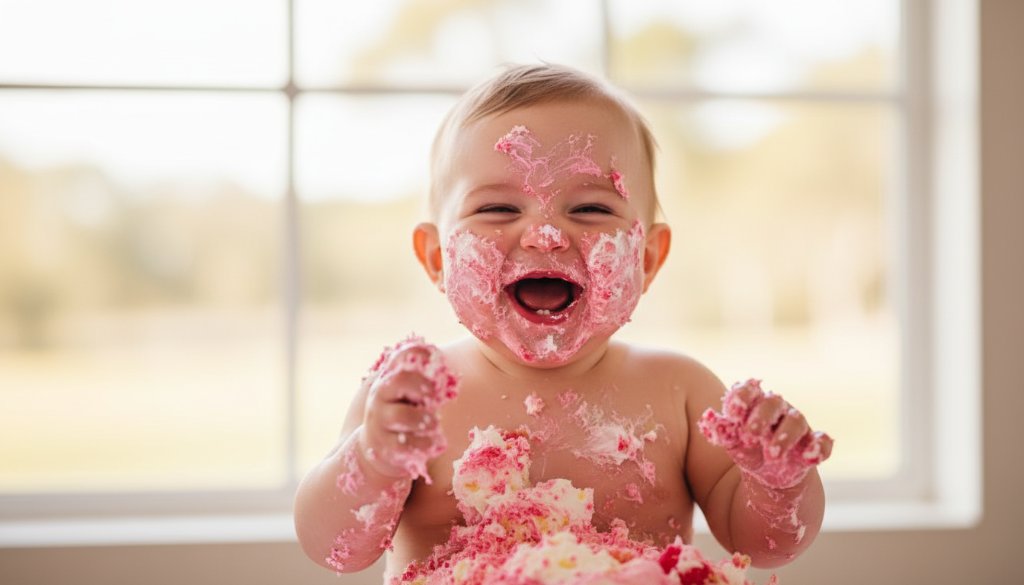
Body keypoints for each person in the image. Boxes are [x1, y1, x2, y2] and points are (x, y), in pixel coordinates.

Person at [293, 63, 833, 581]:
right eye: (498, 210)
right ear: (436, 257)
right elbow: (334, 548)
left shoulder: (679, 390)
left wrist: (778, 482)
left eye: (591, 210)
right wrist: (373, 460)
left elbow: (763, 546)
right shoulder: (408, 400)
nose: (546, 235)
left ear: (646, 258)